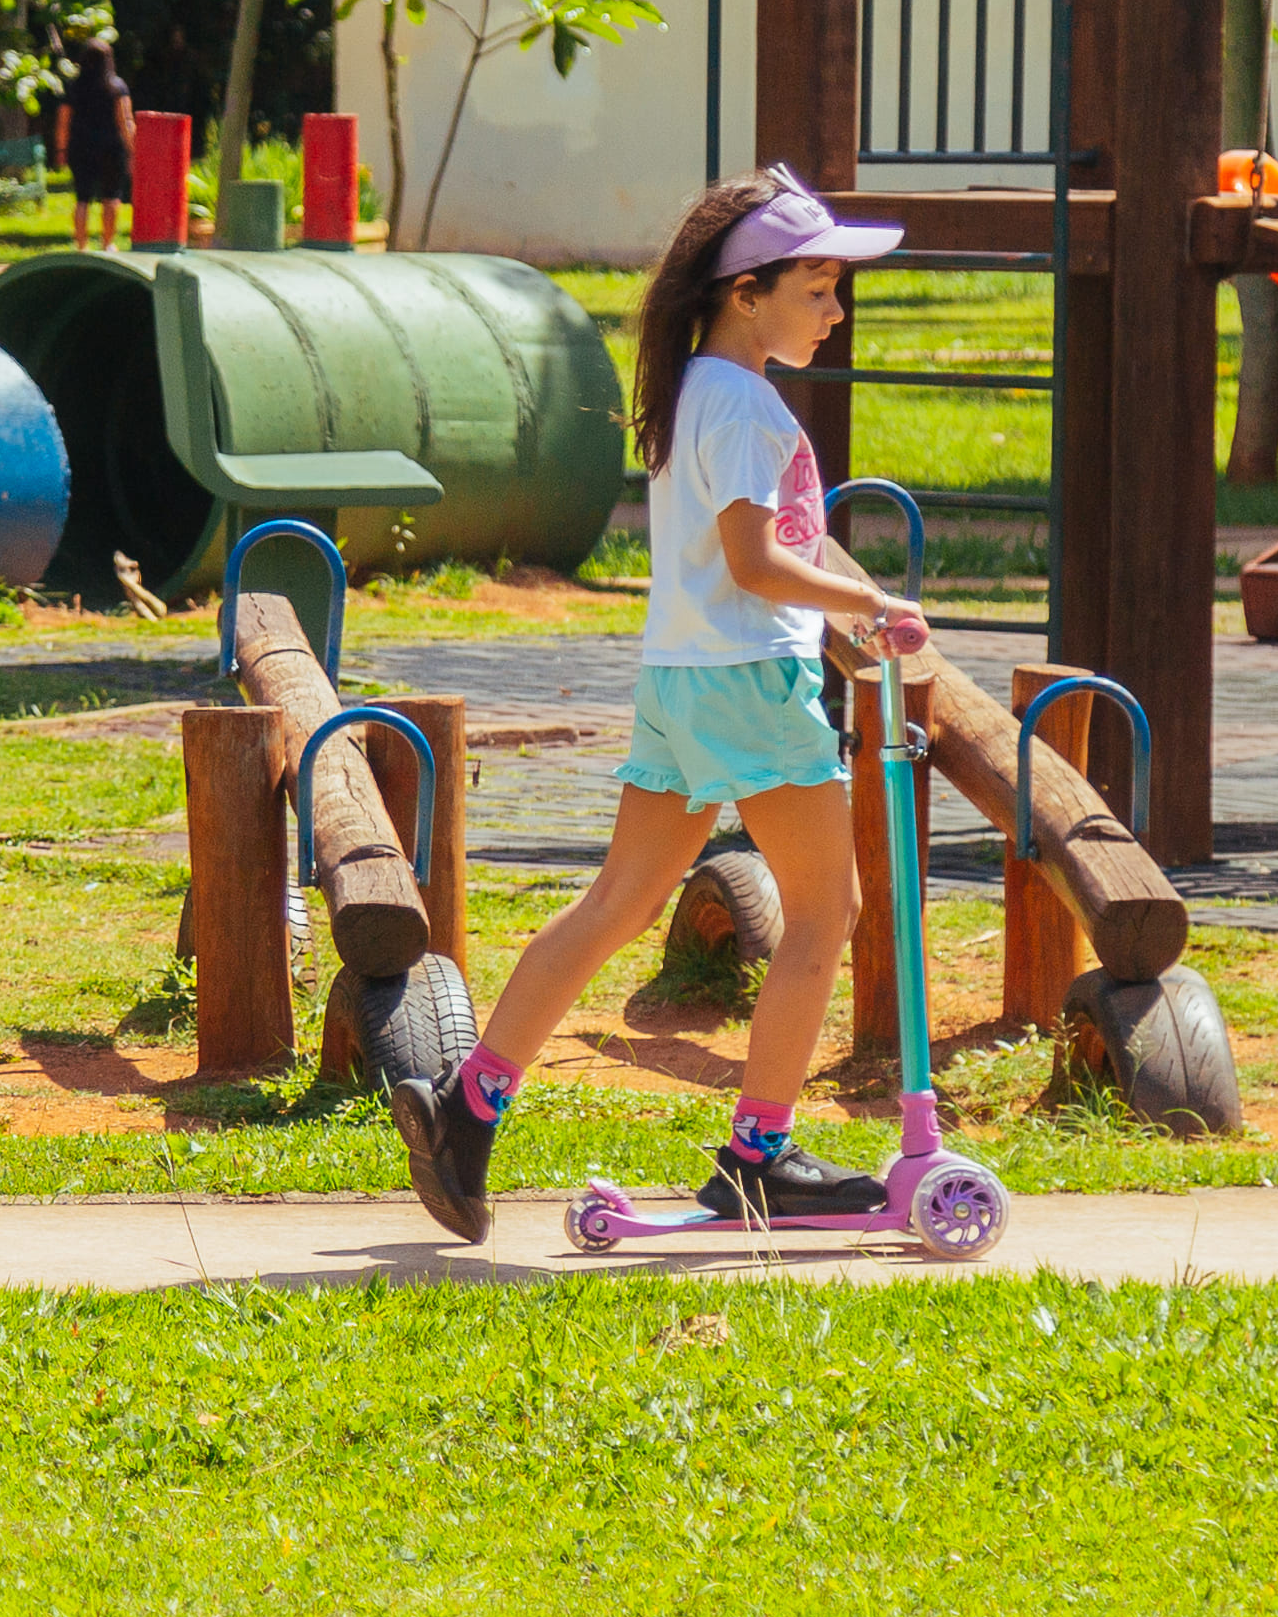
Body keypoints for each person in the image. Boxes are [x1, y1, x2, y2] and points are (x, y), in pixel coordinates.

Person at [389, 164, 927, 1241]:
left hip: (680, 678)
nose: (835, 309)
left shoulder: (694, 390)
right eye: (815, 287)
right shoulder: (744, 405)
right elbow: (755, 561)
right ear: (744, 292)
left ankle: (469, 1102)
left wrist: (849, 614)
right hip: (748, 683)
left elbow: (772, 550)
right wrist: (869, 600)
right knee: (829, 913)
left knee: (616, 903)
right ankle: (758, 1154)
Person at [56, 34, 139, 249]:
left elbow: (63, 120)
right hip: (111, 148)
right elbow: (125, 120)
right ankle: (107, 243)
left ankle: (81, 245)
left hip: (80, 147)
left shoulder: (73, 87)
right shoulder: (117, 87)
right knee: (111, 197)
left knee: (82, 198)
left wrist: (61, 149)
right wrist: (133, 149)